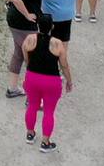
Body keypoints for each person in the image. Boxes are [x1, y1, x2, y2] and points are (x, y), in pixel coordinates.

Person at [22, 17, 73, 152]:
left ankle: (30, 133)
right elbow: (64, 65)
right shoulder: (57, 44)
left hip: (32, 78)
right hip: (51, 81)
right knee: (49, 111)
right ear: (52, 27)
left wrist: (30, 71)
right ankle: (45, 142)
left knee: (32, 106)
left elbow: (26, 58)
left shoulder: (29, 39)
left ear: (38, 25)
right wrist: (69, 80)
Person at [5, 0, 45, 99]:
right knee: (32, 57)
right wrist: (27, 14)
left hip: (17, 23)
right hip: (23, 25)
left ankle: (12, 88)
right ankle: (32, 95)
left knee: (19, 54)